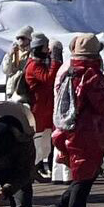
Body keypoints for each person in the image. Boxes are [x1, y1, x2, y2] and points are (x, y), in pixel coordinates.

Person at [47, 34, 104, 207]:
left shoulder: (67, 70)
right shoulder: (91, 74)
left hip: (66, 128)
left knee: (84, 176)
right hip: (87, 131)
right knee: (84, 178)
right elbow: (102, 104)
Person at [25, 33, 62, 181]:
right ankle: (31, 170)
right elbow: (49, 78)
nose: (48, 51)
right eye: (46, 48)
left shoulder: (37, 63)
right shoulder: (34, 66)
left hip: (44, 109)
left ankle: (34, 169)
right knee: (38, 142)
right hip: (39, 109)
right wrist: (56, 60)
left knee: (44, 143)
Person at [3, 26, 34, 100]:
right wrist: (10, 56)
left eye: (22, 38)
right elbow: (6, 70)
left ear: (29, 39)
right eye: (18, 38)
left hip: (25, 90)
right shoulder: (11, 53)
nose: (20, 40)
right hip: (11, 89)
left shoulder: (32, 53)